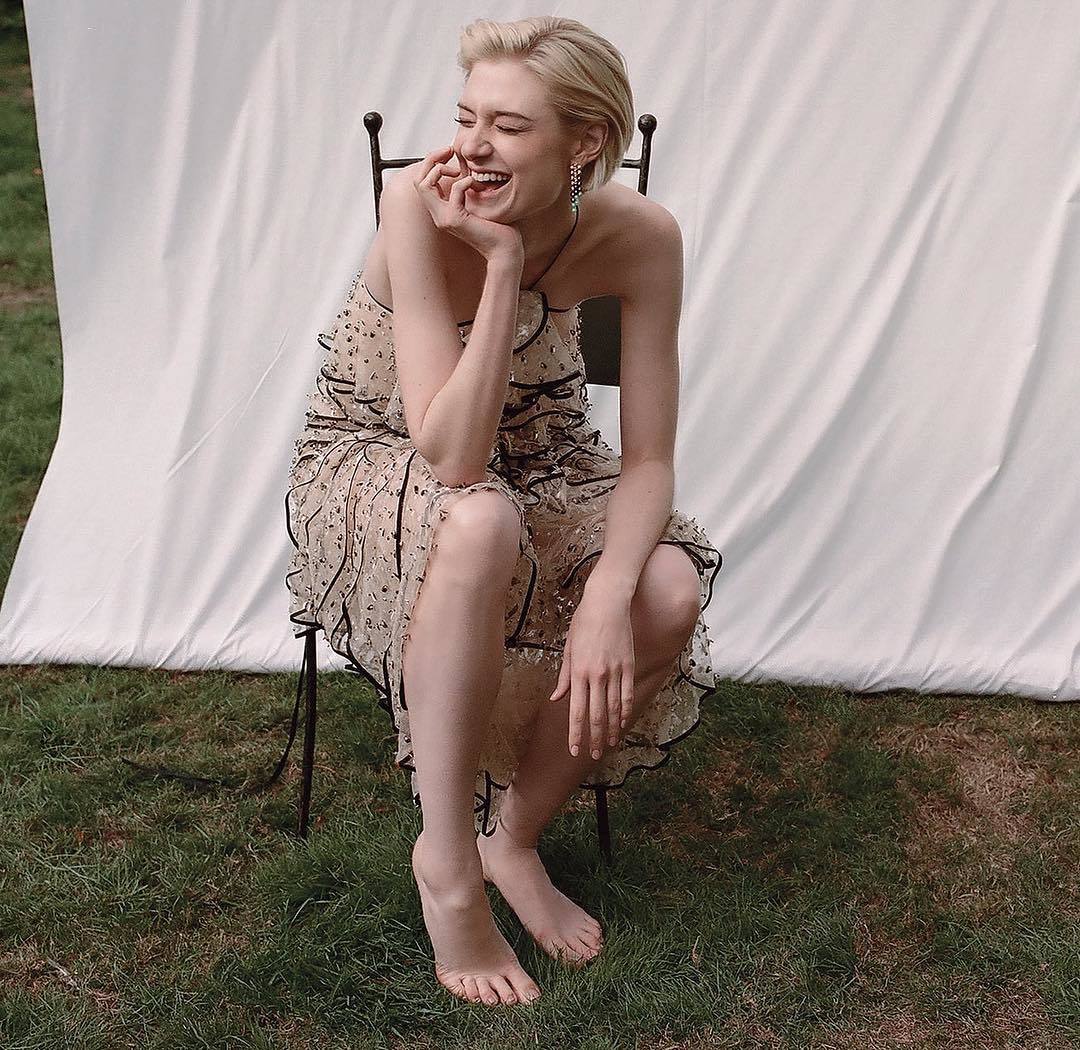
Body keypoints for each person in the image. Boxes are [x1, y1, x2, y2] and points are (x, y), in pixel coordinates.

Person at [284, 15, 723, 1008]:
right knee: (479, 520)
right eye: (465, 116)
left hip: (547, 456)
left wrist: (607, 597)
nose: (472, 148)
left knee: (664, 590)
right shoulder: (416, 206)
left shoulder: (642, 236)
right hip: (382, 454)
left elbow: (650, 457)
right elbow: (452, 457)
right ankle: (446, 867)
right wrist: (500, 267)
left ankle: (511, 838)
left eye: (509, 127)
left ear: (586, 143)